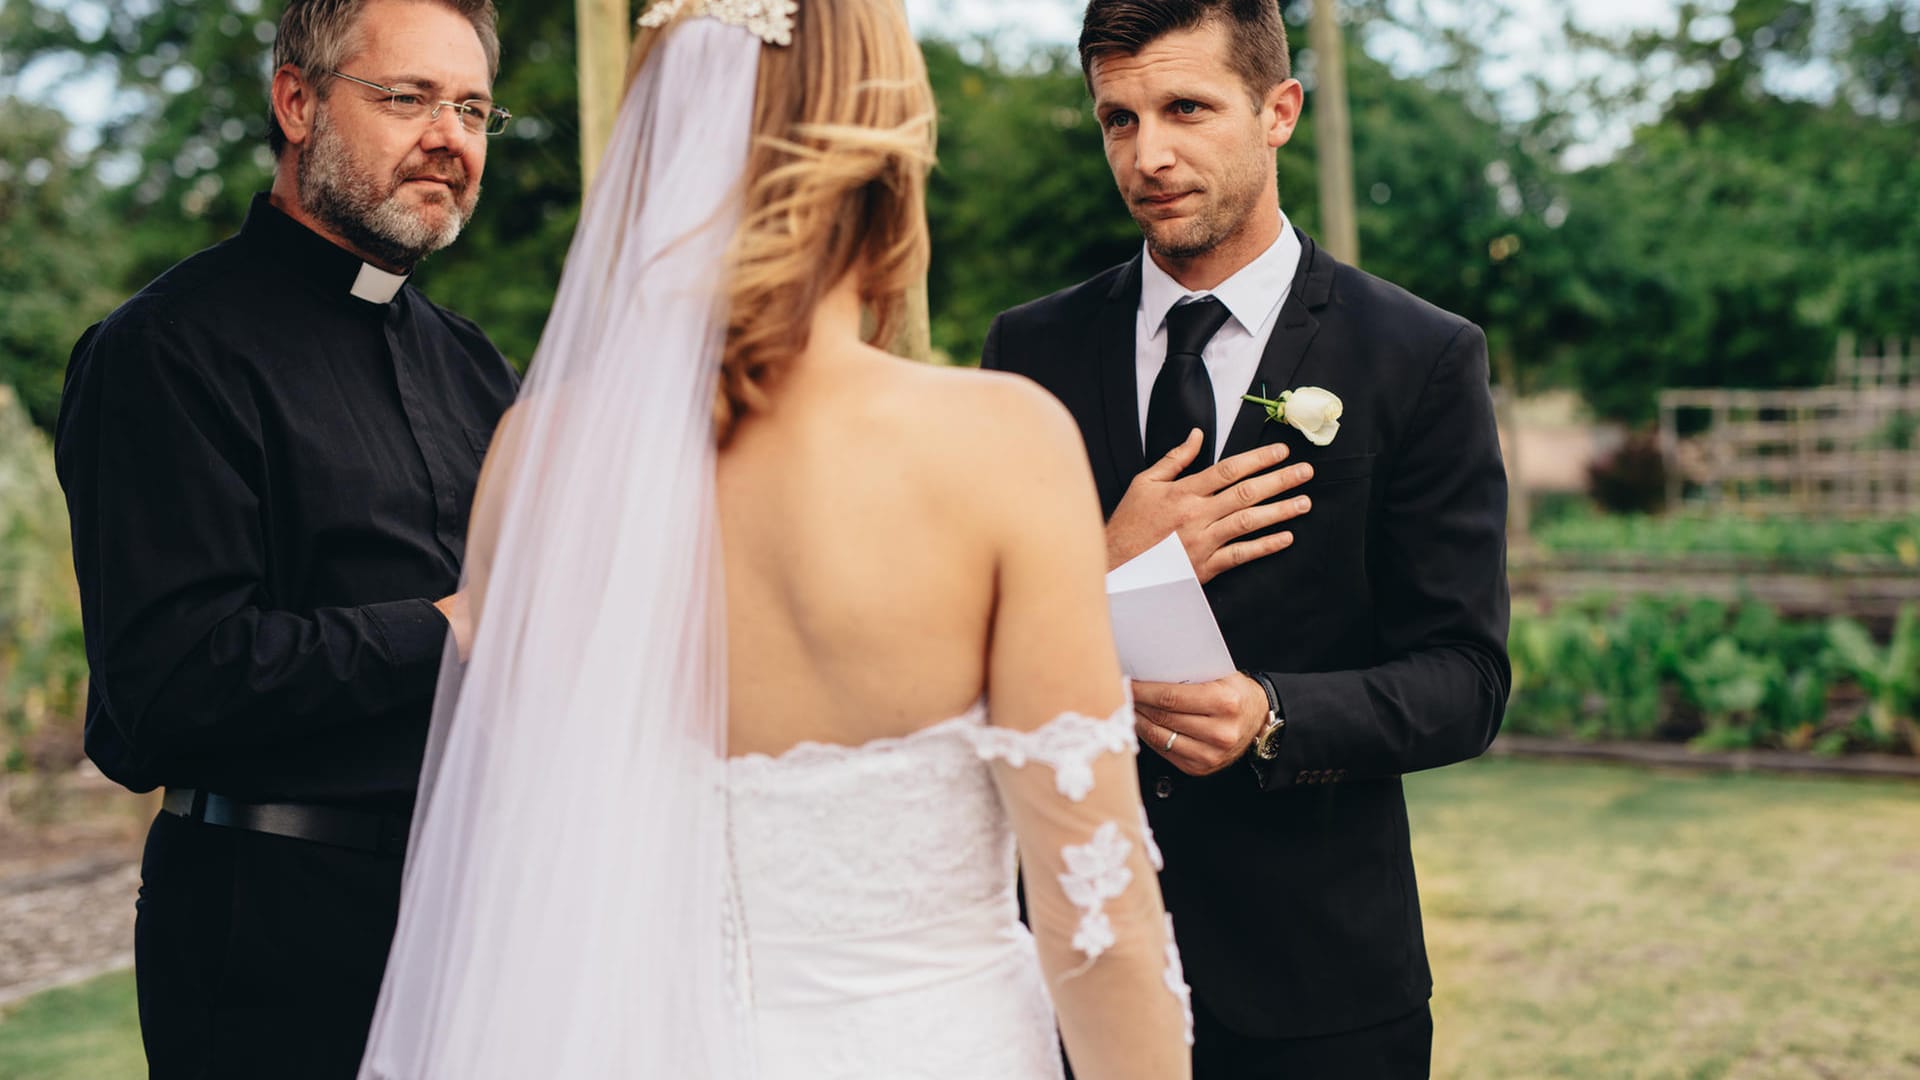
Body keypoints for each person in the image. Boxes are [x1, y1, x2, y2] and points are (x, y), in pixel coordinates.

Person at [357, 2, 1192, 1078]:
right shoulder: (1000, 445)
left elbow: (530, 866)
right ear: (882, 132)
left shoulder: (538, 457)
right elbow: (1099, 921)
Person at [982, 1, 1513, 1076]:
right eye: (1117, 120)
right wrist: (1104, 558)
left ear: (1280, 110)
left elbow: (1467, 677)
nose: (1150, 154)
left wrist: (1275, 715)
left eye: (1186, 108)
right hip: (1065, 962)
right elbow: (956, 647)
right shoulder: (1027, 350)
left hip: (1319, 984)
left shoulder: (1420, 356)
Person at [53, 1, 516, 1075]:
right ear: (297, 102)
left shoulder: (475, 365)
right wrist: (451, 630)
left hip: (479, 928)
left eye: (475, 109)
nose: (449, 135)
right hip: (270, 944)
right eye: (408, 98)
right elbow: (163, 690)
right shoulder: (162, 353)